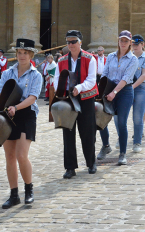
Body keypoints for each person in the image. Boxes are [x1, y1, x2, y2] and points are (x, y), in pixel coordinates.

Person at [0, 38, 42, 209]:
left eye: (25, 53)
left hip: (26, 115)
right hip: (9, 115)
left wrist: (16, 107)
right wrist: (2, 105)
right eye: (19, 52)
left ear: (31, 55)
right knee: (9, 156)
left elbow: (32, 97)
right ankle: (13, 194)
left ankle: (29, 190)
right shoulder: (7, 73)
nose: (22, 56)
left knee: (21, 155)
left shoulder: (36, 75)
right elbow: (0, 92)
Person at [54, 30, 98, 178]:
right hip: (68, 100)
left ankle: (91, 162)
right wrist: (61, 90)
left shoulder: (89, 58)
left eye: (74, 41)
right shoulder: (61, 61)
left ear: (80, 42)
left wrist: (79, 88)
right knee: (68, 132)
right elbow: (57, 79)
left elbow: (92, 80)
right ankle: (70, 167)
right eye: (68, 42)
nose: (71, 44)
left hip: (85, 99)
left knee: (87, 132)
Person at [100, 30, 138, 165]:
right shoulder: (110, 56)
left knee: (121, 122)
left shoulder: (133, 59)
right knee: (100, 118)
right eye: (121, 40)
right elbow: (105, 74)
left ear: (130, 43)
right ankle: (105, 146)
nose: (123, 43)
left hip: (124, 92)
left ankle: (122, 154)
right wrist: (102, 91)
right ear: (118, 41)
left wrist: (114, 93)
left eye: (126, 41)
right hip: (109, 88)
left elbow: (126, 78)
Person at [131, 35, 145, 152]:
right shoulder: (127, 56)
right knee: (119, 116)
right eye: (133, 44)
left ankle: (137, 142)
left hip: (140, 88)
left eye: (137, 44)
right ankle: (121, 138)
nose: (134, 46)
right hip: (126, 87)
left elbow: (144, 75)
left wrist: (133, 87)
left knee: (138, 117)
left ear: (142, 45)